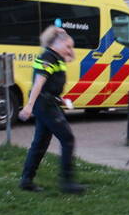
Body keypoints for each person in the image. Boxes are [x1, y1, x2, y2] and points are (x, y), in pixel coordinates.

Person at [18, 26, 85, 194]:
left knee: (40, 143)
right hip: (44, 105)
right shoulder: (48, 57)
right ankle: (67, 183)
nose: (70, 50)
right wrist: (29, 105)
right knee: (67, 139)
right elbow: (39, 83)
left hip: (49, 103)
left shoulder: (56, 58)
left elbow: (51, 84)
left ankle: (26, 180)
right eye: (68, 46)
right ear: (57, 43)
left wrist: (60, 99)